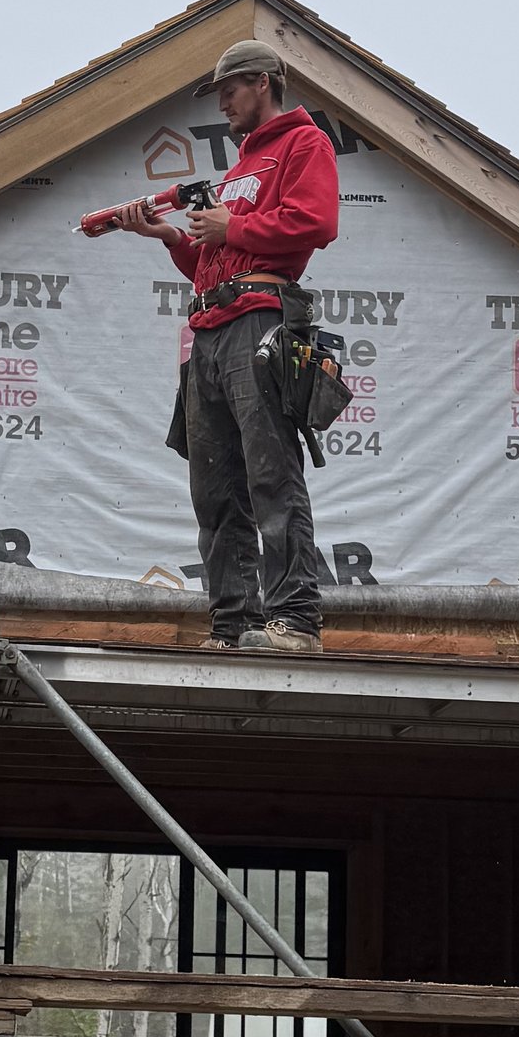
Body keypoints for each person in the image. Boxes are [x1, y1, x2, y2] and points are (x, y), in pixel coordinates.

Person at [94, 39, 341, 652]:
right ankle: (234, 624)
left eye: (228, 89)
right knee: (215, 487)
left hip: (260, 322)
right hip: (209, 328)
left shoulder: (302, 143)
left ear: (261, 82)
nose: (222, 103)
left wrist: (235, 225)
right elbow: (212, 264)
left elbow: (317, 223)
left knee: (271, 476)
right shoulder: (238, 169)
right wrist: (170, 237)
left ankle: (295, 621)